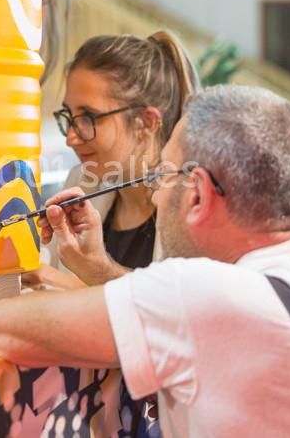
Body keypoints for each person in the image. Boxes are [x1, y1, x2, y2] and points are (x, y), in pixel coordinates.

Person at [0, 85, 290, 437]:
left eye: (163, 175)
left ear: (196, 193)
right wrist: (98, 272)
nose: (156, 196)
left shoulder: (199, 293)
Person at [25, 31, 201, 290]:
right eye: (69, 116)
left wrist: (84, 279)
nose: (71, 138)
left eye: (89, 118)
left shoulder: (193, 205)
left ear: (147, 122)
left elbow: (181, 310)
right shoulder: (82, 182)